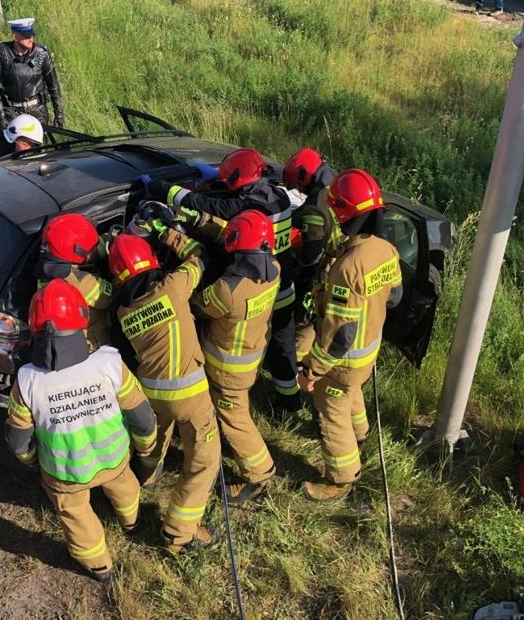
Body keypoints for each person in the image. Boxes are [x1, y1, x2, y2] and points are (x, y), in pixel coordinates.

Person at [5, 280, 157, 582]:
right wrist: (146, 446)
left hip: (64, 472)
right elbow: (142, 417)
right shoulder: (110, 363)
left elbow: (17, 439)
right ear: (81, 317)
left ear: (34, 326)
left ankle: (98, 564)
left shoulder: (26, 381)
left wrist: (31, 461)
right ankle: (131, 521)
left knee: (74, 514)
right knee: (125, 488)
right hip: (114, 459)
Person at [143, 148, 302, 415]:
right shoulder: (280, 197)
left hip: (254, 284)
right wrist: (218, 178)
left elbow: (209, 205)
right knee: (283, 342)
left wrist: (158, 187)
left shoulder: (249, 207)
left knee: (253, 338)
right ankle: (290, 400)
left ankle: (241, 393)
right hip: (281, 280)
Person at [108, 229, 221, 554]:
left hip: (152, 395)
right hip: (191, 397)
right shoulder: (172, 288)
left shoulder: (122, 311)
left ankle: (148, 477)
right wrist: (167, 233)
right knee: (202, 463)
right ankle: (178, 534)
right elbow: (199, 256)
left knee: (156, 441)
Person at [296, 169, 402, 501]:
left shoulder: (347, 268)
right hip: (368, 352)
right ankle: (361, 432)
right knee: (352, 392)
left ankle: (341, 478)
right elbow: (395, 297)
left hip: (343, 360)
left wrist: (312, 371)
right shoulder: (386, 250)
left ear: (342, 212)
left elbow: (340, 335)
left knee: (331, 411)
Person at [191, 209, 281, 503]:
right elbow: (240, 239)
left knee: (235, 418)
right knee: (239, 408)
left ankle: (259, 474)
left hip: (226, 368)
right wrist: (203, 222)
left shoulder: (226, 291)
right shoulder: (274, 269)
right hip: (251, 356)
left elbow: (195, 306)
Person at [283, 148, 345, 363]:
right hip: (349, 268)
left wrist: (294, 253)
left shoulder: (316, 207)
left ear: (304, 178)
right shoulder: (342, 184)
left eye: (299, 186)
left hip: (326, 274)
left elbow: (311, 256)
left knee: (306, 322)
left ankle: (296, 369)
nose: (299, 190)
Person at [37, 213, 113, 349]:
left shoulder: (44, 269)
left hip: (63, 343)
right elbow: (112, 298)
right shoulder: (82, 282)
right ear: (77, 251)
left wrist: (110, 238)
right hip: (92, 346)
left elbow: (90, 251)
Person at [0, 18, 64, 129]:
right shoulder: (1, 54)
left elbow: (53, 85)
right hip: (12, 113)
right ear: (15, 37)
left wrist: (59, 114)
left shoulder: (41, 53)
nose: (31, 39)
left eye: (31, 35)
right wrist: (0, 117)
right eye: (26, 36)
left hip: (37, 112)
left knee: (40, 145)